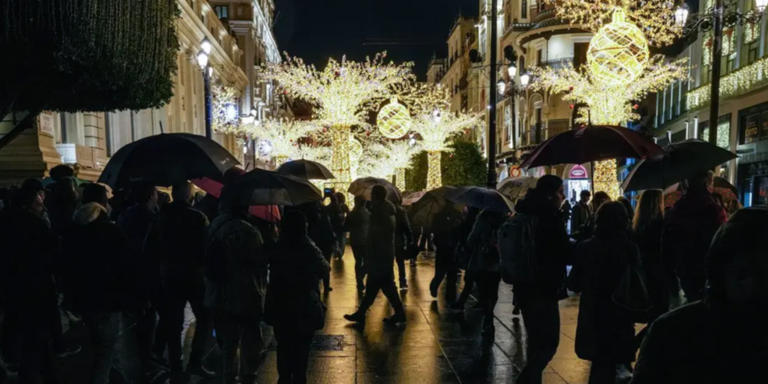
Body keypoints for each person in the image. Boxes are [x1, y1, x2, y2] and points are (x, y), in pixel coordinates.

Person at [631, 207, 768, 384]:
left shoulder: (672, 331)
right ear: (722, 272)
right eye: (742, 274)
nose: (753, 285)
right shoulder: (672, 333)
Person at [62, 183, 137, 384]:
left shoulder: (73, 229)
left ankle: (120, 379)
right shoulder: (110, 231)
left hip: (83, 298)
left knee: (103, 345)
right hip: (107, 299)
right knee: (105, 349)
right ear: (103, 203)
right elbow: (127, 265)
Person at [144, 181, 214, 383]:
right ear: (189, 196)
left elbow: (149, 247)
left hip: (169, 275)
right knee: (204, 318)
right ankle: (195, 360)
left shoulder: (161, 217)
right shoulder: (198, 217)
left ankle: (175, 364)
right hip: (194, 275)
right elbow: (206, 248)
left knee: (172, 321)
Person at [568, 202, 641, 384]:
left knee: (600, 365)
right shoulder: (630, 249)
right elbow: (638, 282)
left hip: (593, 313)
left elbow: (574, 283)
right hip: (620, 313)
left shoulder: (585, 247)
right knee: (613, 363)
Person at [0, 184, 60, 384]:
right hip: (35, 287)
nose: (42, 203)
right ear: (29, 203)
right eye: (39, 199)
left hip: (11, 286)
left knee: (24, 330)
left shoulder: (5, 221)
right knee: (35, 336)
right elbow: (52, 256)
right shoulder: (35, 225)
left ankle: (41, 370)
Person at [513, 175, 570, 384]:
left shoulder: (527, 212)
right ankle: (524, 381)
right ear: (549, 193)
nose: (562, 196)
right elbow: (562, 252)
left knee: (535, 344)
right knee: (549, 344)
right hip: (544, 286)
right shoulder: (549, 217)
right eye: (559, 192)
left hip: (524, 285)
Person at [205, 200, 266, 384]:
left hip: (218, 292)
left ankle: (228, 376)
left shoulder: (213, 227)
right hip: (245, 291)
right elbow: (259, 260)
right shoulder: (249, 230)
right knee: (251, 337)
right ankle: (249, 375)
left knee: (228, 340)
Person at [265, 211, 330, 384]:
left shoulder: (277, 246)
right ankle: (299, 378)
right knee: (302, 346)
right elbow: (324, 269)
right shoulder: (308, 246)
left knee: (283, 344)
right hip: (304, 302)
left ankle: (284, 378)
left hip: (279, 302)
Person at [662, 170, 727, 303]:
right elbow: (722, 240)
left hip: (683, 267)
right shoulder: (714, 211)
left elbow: (666, 245)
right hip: (707, 268)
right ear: (707, 183)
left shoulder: (675, 211)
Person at [344, 186, 406, 325]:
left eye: (372, 195)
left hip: (379, 255)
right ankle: (364, 313)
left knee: (380, 284)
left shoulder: (380, 214)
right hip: (384, 254)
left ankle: (363, 313)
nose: (370, 197)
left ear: (376, 196)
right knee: (380, 285)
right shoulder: (386, 211)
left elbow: (376, 236)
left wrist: (369, 257)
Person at [117, 183, 162, 366]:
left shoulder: (125, 215)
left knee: (139, 314)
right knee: (148, 316)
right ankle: (146, 356)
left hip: (129, 271)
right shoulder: (151, 218)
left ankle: (141, 355)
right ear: (151, 195)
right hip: (147, 272)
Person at [631, 190, 669, 345]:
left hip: (643, 274)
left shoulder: (637, 226)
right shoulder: (661, 225)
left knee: (655, 314)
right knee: (661, 314)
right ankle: (636, 345)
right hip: (659, 274)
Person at [466, 208, 507, 332]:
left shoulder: (482, 220)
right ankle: (490, 316)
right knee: (493, 291)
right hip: (498, 262)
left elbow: (471, 240)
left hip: (482, 260)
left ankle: (488, 316)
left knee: (484, 291)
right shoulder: (504, 221)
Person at [429, 203, 462, 302]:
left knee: (442, 272)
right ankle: (450, 296)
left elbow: (433, 229)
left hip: (444, 246)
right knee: (450, 274)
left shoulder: (438, 215)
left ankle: (436, 287)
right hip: (449, 246)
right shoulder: (455, 214)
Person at [450, 207, 481, 310]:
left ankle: (461, 302)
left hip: (474, 254)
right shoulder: (496, 220)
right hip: (486, 256)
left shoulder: (475, 221)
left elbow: (469, 240)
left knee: (470, 279)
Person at [344, 197, 370, 292]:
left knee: (358, 261)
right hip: (365, 239)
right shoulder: (368, 213)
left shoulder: (351, 214)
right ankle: (361, 276)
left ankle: (359, 282)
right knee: (367, 261)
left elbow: (346, 227)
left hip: (354, 239)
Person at [394, 201, 414, 289]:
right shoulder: (401, 211)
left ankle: (391, 281)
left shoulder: (384, 210)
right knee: (400, 262)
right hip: (399, 240)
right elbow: (406, 226)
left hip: (387, 240)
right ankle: (402, 281)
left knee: (388, 262)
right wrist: (410, 239)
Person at [335, 192, 350, 258]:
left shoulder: (334, 206)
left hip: (335, 225)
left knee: (336, 239)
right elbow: (348, 214)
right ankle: (340, 252)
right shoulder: (344, 206)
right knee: (342, 240)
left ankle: (337, 252)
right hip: (342, 224)